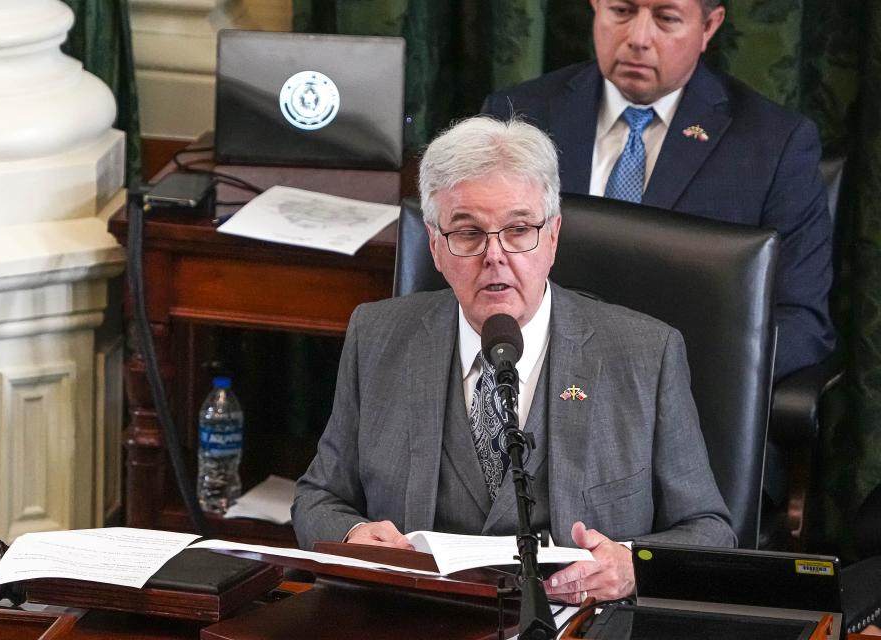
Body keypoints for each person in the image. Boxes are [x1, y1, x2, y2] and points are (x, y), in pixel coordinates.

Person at [292, 115, 735, 605]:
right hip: (420, 617)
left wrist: (633, 566)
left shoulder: (646, 354)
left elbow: (710, 531)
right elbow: (317, 498)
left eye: (519, 229)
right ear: (435, 247)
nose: (495, 255)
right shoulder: (377, 337)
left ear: (553, 236)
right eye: (467, 233)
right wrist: (354, 535)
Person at [481, 0, 834, 381]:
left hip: (686, 399)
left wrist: (672, 377)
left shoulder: (773, 144)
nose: (638, 38)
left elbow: (802, 321)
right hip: (532, 381)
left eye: (666, 19)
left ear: (709, 26)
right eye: (621, 11)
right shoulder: (516, 116)